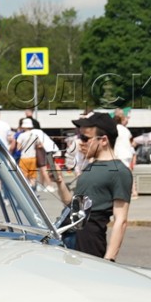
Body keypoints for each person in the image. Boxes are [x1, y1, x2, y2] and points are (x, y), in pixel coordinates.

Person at [53, 110, 131, 260]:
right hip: (70, 234)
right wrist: (59, 182)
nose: (81, 142)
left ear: (103, 140)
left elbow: (120, 220)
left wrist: (109, 259)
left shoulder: (119, 171)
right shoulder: (90, 166)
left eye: (85, 138)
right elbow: (72, 203)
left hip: (90, 240)